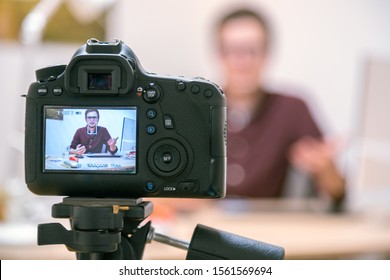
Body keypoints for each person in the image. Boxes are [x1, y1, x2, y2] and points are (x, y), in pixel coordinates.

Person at [216, 8, 345, 205]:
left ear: (266, 54)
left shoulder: (292, 108)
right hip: (203, 224)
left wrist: (325, 168)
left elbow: (337, 194)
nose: (243, 61)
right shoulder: (195, 108)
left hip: (268, 227)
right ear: (219, 54)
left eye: (252, 50)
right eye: (232, 50)